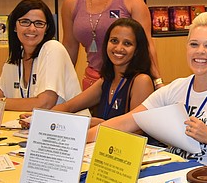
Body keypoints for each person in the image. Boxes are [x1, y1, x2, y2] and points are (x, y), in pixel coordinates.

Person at [98, 12, 207, 164]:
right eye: (194, 44)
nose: (200, 52)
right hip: (173, 173)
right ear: (187, 48)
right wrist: (84, 136)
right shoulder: (175, 89)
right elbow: (127, 122)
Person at [24, 18, 154, 129]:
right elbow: (68, 106)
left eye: (127, 43)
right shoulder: (106, 80)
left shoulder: (141, 81)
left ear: (137, 50)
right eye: (114, 41)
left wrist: (98, 124)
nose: (118, 48)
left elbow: (137, 128)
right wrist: (38, 119)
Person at [0, 0, 82, 112]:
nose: (32, 28)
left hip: (67, 129)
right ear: (14, 26)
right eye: (25, 22)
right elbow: (1, 90)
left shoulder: (53, 48)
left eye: (39, 23)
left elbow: (45, 103)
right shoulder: (17, 55)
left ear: (47, 29)